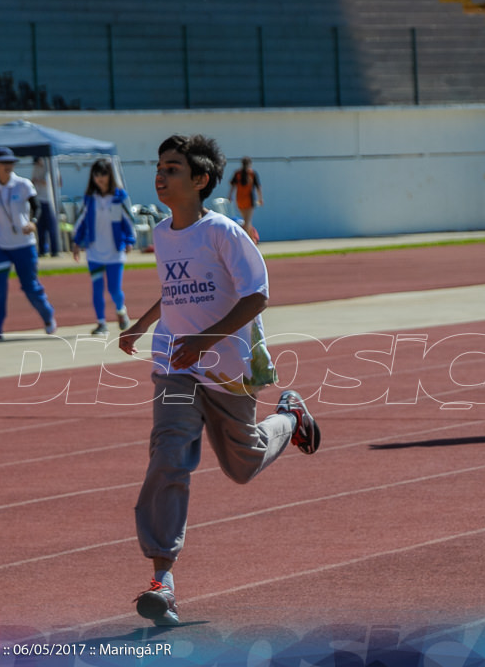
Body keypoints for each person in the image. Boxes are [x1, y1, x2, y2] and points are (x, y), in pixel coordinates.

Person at [118, 134, 321, 627]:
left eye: (172, 168)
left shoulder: (224, 233)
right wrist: (144, 324)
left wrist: (206, 340)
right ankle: (161, 582)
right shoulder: (164, 233)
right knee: (169, 455)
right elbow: (175, 290)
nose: (160, 176)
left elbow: (257, 297)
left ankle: (289, 415)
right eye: (159, 167)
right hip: (176, 364)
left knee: (243, 464)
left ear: (201, 180)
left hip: (227, 366)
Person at [0, 146, 56, 341]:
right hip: (0, 245)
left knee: (29, 286)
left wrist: (34, 223)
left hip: (24, 244)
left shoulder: (23, 185)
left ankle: (47, 315)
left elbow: (36, 206)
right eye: (3, 163)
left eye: (10, 163)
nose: (8, 166)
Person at [71, 158, 136, 336]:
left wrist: (130, 240)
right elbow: (81, 222)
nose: (100, 178)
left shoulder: (119, 197)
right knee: (97, 288)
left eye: (104, 174)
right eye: (96, 174)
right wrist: (76, 242)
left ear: (110, 175)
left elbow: (128, 220)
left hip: (115, 251)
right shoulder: (90, 199)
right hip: (94, 252)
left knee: (114, 289)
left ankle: (121, 310)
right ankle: (101, 323)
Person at [31, 157, 61, 257]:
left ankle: (55, 250)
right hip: (39, 200)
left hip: (49, 200)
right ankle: (43, 250)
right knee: (40, 227)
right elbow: (33, 181)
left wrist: (39, 181)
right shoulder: (36, 168)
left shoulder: (50, 167)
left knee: (51, 226)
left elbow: (51, 182)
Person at [228, 156, 263, 240]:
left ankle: (252, 240)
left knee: (247, 221)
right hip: (249, 200)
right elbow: (258, 187)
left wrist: (230, 196)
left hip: (240, 200)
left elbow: (232, 186)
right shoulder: (252, 173)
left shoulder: (237, 173)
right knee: (247, 221)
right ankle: (246, 240)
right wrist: (260, 198)